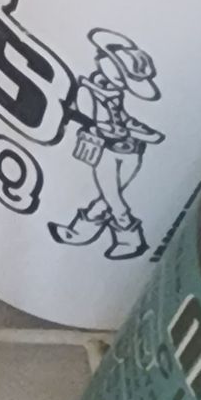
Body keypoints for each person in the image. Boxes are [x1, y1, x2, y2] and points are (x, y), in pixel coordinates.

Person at [48, 29, 164, 260]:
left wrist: (138, 130)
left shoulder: (112, 93)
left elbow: (120, 118)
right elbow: (93, 119)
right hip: (108, 150)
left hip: (131, 149)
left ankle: (82, 231)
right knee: (112, 195)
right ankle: (130, 239)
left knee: (110, 195)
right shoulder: (89, 90)